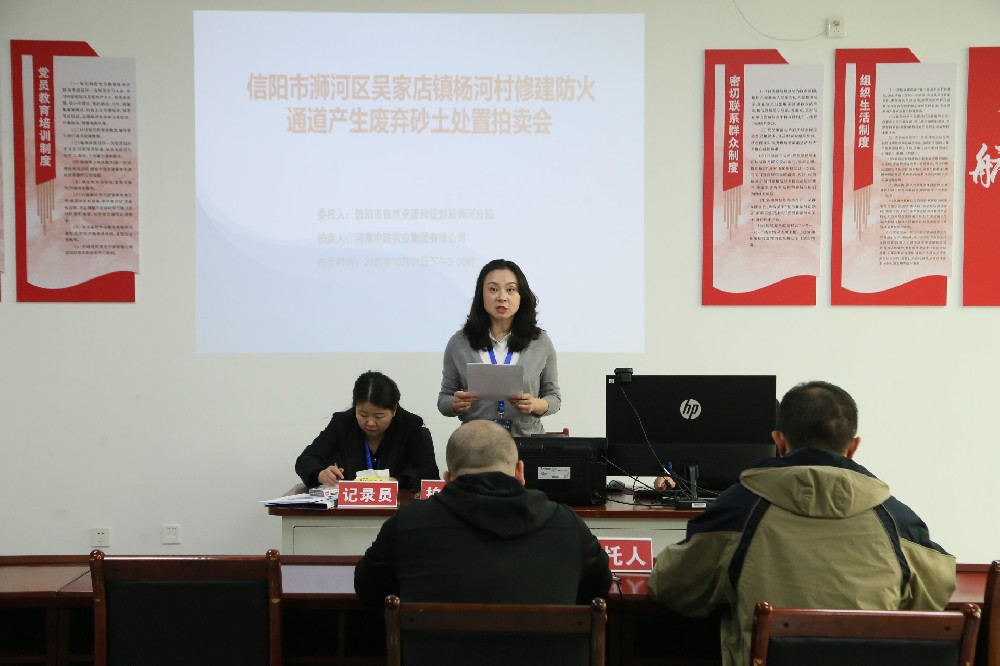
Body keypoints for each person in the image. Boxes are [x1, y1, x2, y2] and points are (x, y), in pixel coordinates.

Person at [646, 380, 956, 666]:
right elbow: (937, 592)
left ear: (779, 442)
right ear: (853, 447)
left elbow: (671, 585)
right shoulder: (895, 520)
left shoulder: (739, 509)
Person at [354, 419, 611, 607]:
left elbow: (369, 589)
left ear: (447, 479)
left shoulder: (407, 524)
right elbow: (597, 589)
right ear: (520, 471)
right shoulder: (566, 525)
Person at [438, 258, 561, 437]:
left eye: (510, 290)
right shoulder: (459, 342)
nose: (502, 297)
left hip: (526, 443)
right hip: (476, 442)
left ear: (521, 296)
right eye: (493, 289)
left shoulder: (540, 341)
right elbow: (444, 400)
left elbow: (554, 398)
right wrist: (455, 404)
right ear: (481, 295)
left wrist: (535, 404)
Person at [295, 370, 439, 492]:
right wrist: (320, 474)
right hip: (352, 507)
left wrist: (396, 480)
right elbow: (306, 459)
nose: (370, 423)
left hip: (400, 508)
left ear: (395, 409)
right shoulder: (342, 423)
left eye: (379, 416)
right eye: (363, 415)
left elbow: (429, 472)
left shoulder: (411, 426)